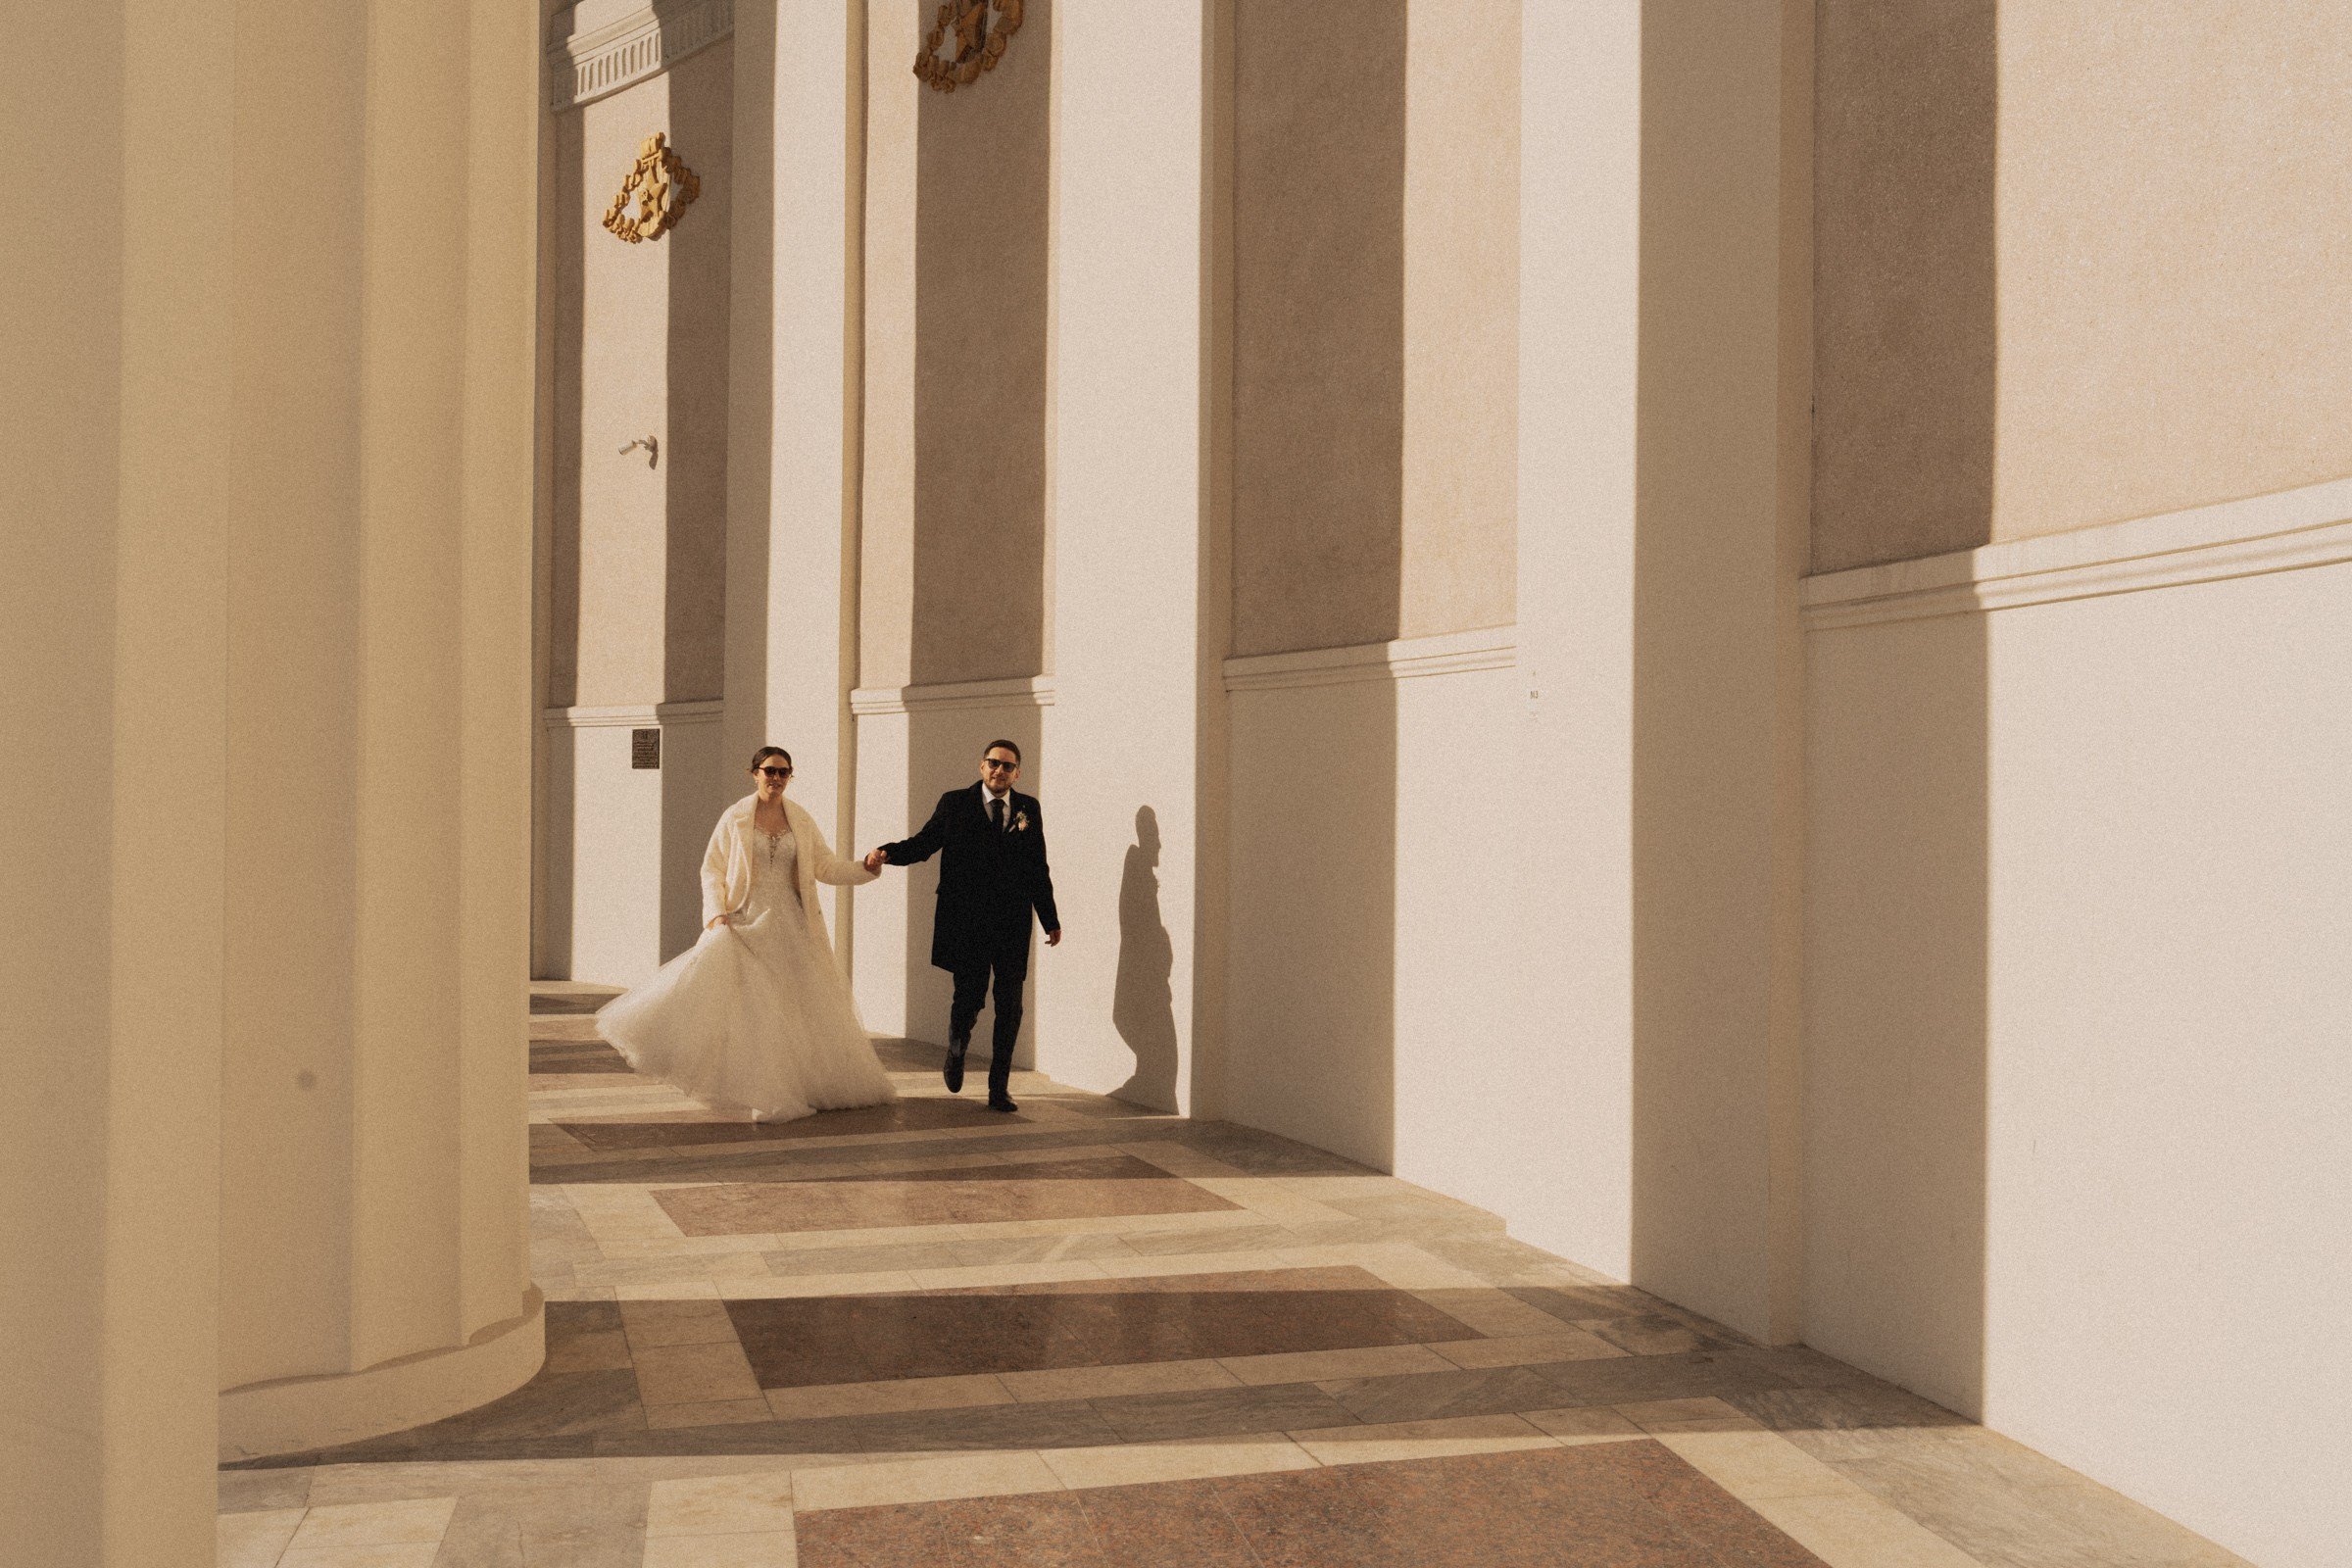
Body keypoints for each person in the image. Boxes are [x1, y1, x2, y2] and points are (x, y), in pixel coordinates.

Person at [596, 746, 895, 1121]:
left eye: (783, 772)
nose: (776, 778)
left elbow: (825, 866)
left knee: (792, 1010)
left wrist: (865, 867)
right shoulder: (735, 817)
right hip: (743, 922)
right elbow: (712, 869)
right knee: (755, 1010)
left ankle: (803, 1086)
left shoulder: (801, 819)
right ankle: (766, 1091)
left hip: (791, 925)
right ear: (754, 773)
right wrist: (716, 914)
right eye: (770, 771)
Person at [863, 739, 1060, 1111]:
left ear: (1017, 773)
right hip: (967, 922)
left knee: (1011, 1006)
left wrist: (1049, 918)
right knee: (969, 999)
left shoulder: (1028, 809)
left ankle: (998, 1089)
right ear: (982, 766)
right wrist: (887, 853)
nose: (999, 770)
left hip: (1012, 924)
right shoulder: (955, 803)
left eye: (1007, 766)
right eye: (993, 763)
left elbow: (1037, 866)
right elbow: (924, 844)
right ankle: (956, 1049)